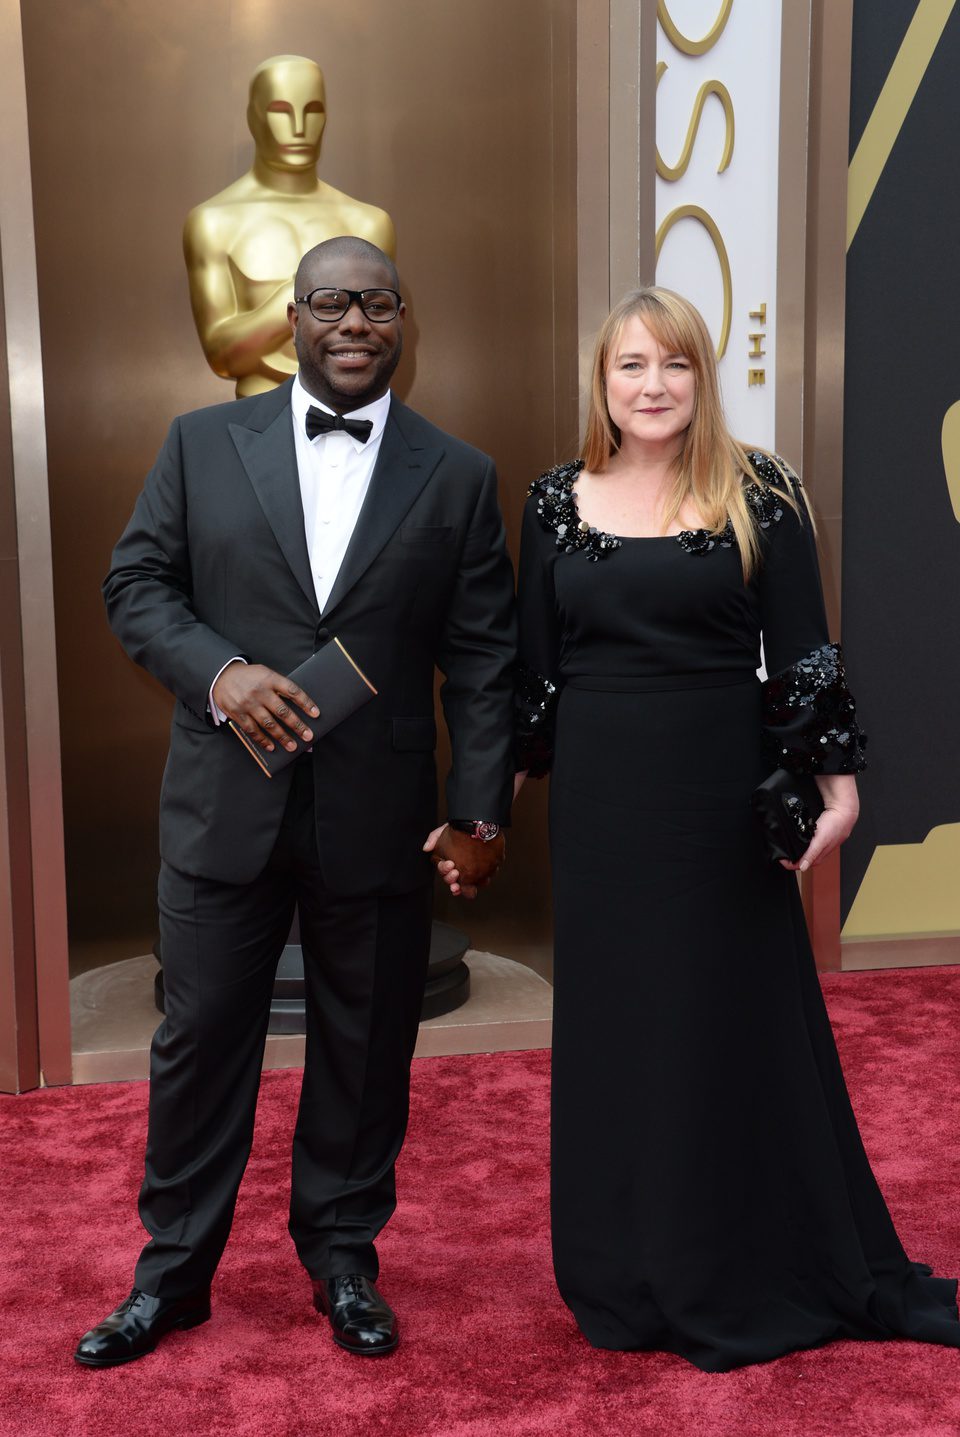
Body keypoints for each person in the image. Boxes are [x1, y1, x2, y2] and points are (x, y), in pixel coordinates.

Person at [76, 236, 515, 1366]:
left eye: (377, 304)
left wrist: (478, 811)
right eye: (330, 303)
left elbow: (482, 655)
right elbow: (136, 584)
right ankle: (171, 1278)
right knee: (200, 1043)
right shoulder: (198, 444)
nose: (355, 324)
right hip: (226, 810)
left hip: (379, 816)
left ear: (404, 319)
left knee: (366, 1053)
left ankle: (344, 1261)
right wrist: (219, 674)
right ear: (292, 317)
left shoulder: (457, 474)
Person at [513, 286, 960, 1372]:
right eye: (631, 367)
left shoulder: (759, 488)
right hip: (604, 806)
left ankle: (754, 1256)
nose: (653, 386)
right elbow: (531, 670)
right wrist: (487, 798)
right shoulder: (552, 500)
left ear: (703, 378)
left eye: (674, 366)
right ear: (602, 384)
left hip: (719, 794)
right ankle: (627, 1269)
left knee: (728, 1019)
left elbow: (805, 652)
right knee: (623, 1032)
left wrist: (839, 786)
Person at [184, 55, 396, 396]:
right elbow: (221, 355)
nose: (299, 127)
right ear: (254, 118)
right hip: (257, 422)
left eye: (312, 110)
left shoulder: (368, 223)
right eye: (281, 111)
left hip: (355, 418)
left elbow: (380, 343)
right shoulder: (213, 222)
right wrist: (306, 292)